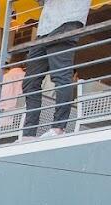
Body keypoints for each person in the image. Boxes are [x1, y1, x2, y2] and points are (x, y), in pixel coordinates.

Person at [21, 0, 90, 141]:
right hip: (45, 26)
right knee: (30, 82)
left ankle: (58, 128)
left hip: (68, 20)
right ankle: (28, 133)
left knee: (61, 76)